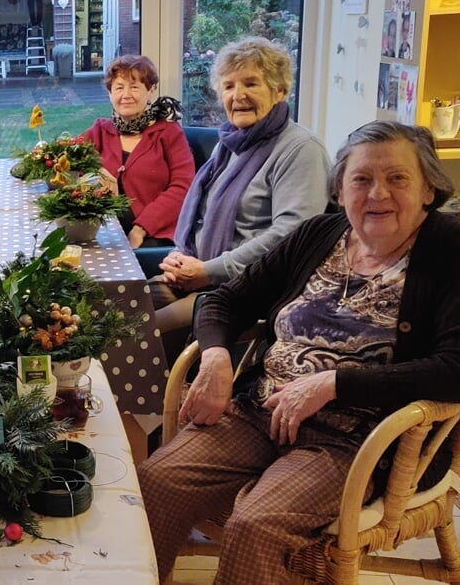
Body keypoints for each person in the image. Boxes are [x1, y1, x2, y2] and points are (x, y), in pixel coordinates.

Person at [138, 120, 460, 584]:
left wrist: (335, 383)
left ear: (428, 188)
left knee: (256, 524)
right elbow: (223, 299)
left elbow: (455, 366)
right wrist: (215, 356)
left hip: (356, 439)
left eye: (397, 178)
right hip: (259, 411)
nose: (377, 194)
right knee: (157, 481)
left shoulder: (450, 251)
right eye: (361, 179)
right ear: (340, 188)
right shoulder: (319, 235)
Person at [153, 37, 330, 352]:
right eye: (229, 85)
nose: (238, 95)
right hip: (205, 276)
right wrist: (183, 257)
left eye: (252, 83)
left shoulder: (301, 150)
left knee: (135, 332)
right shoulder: (233, 143)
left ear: (280, 91)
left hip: (248, 293)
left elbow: (292, 236)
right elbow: (203, 216)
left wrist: (208, 271)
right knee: (118, 309)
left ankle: (163, 400)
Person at [82, 55, 194, 248]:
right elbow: (68, 160)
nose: (126, 95)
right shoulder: (99, 130)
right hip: (103, 231)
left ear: (150, 91)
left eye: (134, 87)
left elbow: (184, 187)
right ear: (110, 94)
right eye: (118, 87)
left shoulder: (169, 133)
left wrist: (141, 228)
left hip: (154, 234)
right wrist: (94, 174)